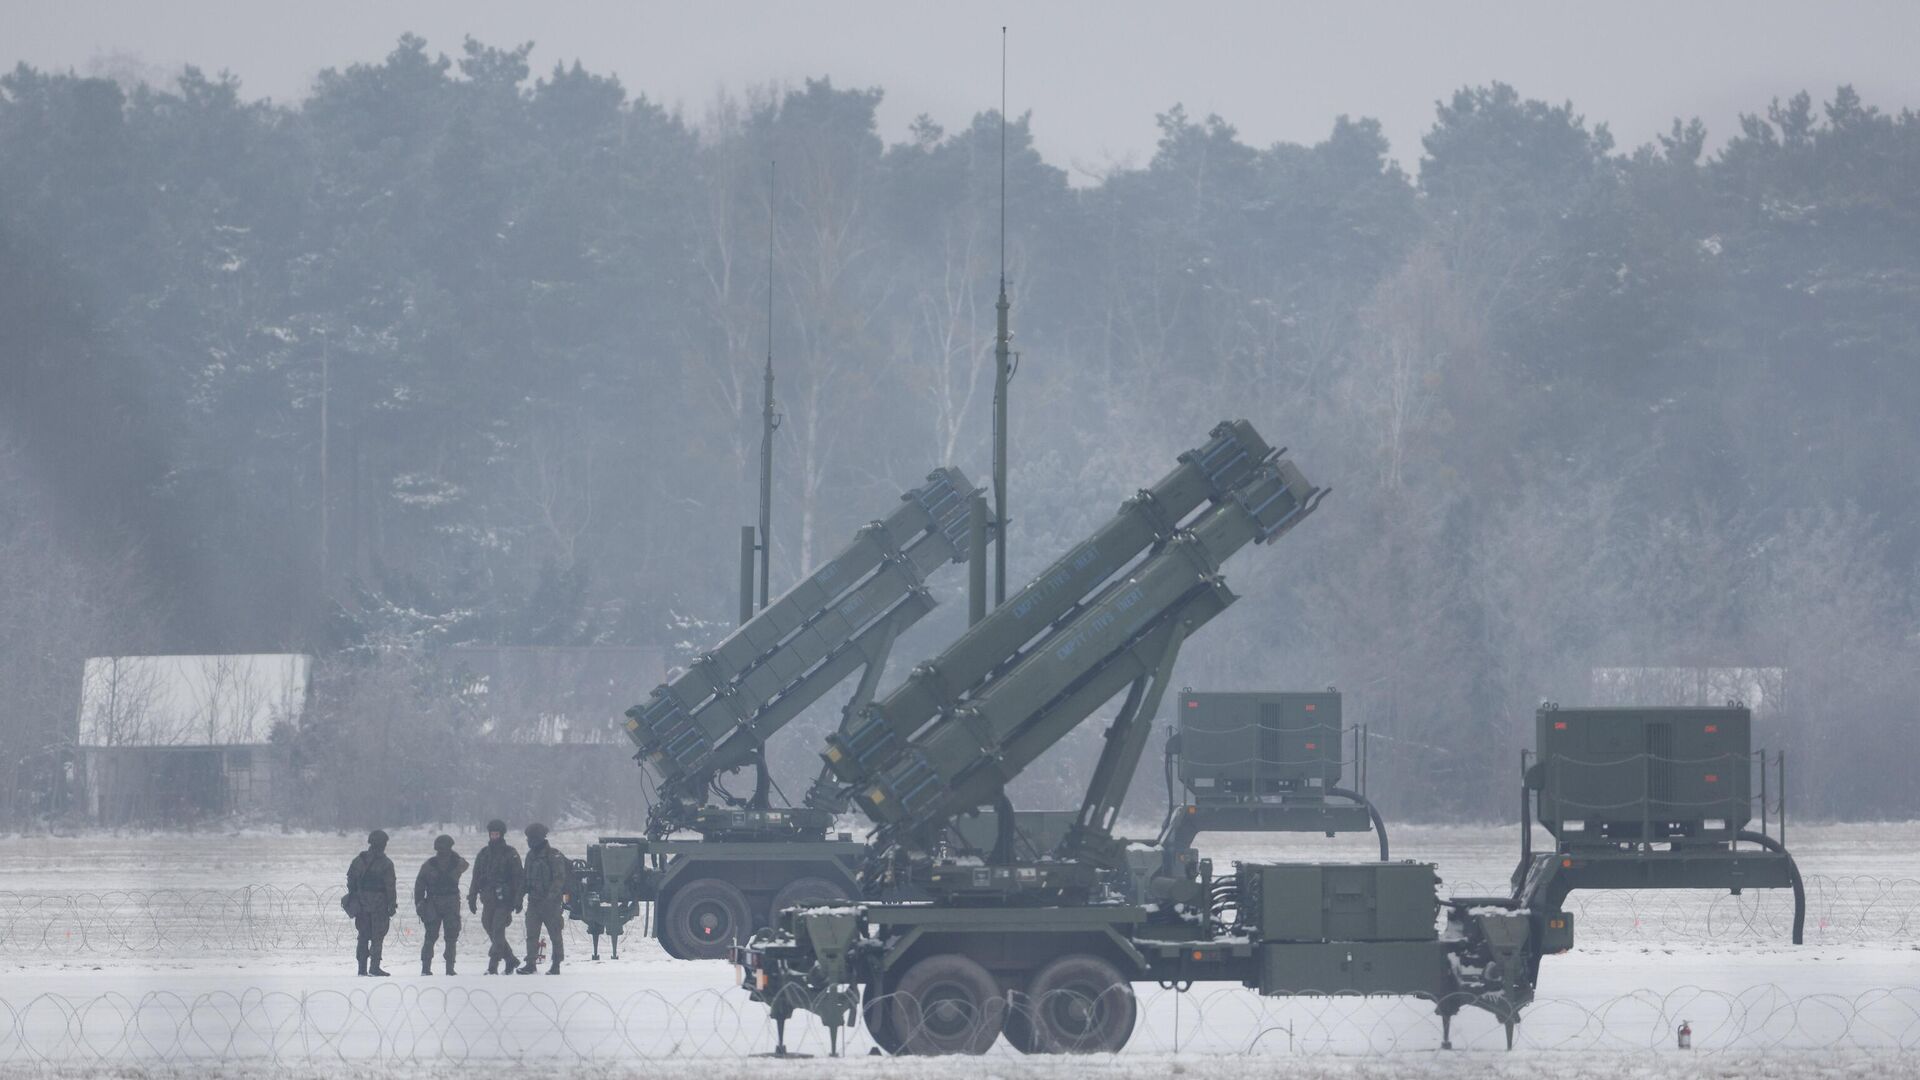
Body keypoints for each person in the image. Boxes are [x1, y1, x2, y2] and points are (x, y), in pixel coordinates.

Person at [467, 818, 523, 975]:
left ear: (502, 834)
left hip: (505, 900)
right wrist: (472, 897)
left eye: (497, 834)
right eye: (492, 834)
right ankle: (510, 959)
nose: (494, 836)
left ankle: (493, 965)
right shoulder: (484, 854)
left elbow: (518, 878)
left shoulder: (510, 853)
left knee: (498, 930)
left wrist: (518, 899)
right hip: (488, 899)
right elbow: (476, 876)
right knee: (488, 926)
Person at [518, 822, 570, 975]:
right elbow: (525, 878)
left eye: (532, 838)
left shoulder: (553, 855)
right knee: (531, 934)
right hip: (534, 901)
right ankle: (530, 964)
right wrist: (519, 897)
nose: (529, 841)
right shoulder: (530, 856)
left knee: (555, 934)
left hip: (551, 903)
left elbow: (559, 879)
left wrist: (550, 897)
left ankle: (556, 964)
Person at [414, 834, 469, 975]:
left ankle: (428, 968)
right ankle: (446, 969)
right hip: (444, 902)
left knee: (434, 936)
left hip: (439, 902)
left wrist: (419, 903)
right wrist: (420, 903)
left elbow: (419, 886)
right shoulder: (456, 862)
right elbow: (465, 865)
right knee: (447, 936)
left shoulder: (430, 864)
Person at [346, 829, 397, 976]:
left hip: (362, 903)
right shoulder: (386, 864)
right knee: (377, 937)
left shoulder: (359, 860)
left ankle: (362, 969)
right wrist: (391, 905)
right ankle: (374, 967)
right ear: (383, 844)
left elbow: (351, 881)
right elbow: (390, 886)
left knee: (363, 936)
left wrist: (357, 895)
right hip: (379, 904)